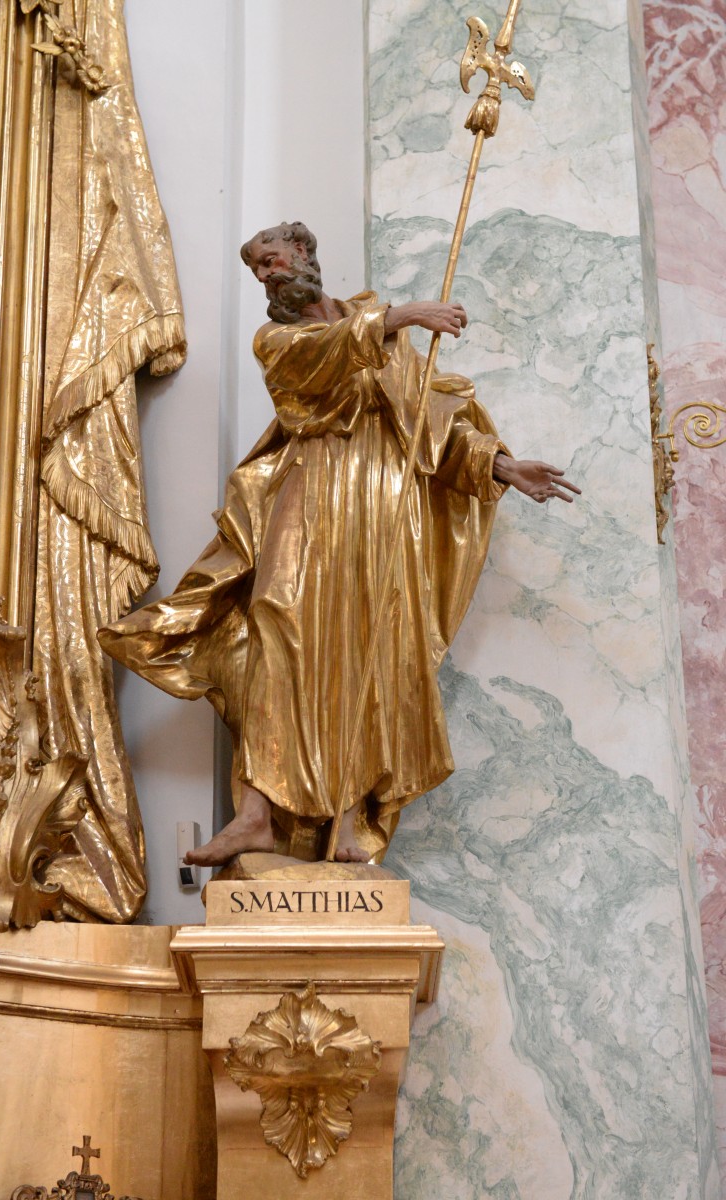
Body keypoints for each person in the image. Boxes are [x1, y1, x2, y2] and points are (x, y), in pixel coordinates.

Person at [100, 222, 579, 866]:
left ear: (304, 255)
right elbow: (311, 364)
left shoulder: (391, 343)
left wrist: (503, 468)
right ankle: (254, 814)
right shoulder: (282, 339)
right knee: (271, 635)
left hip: (381, 507)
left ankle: (351, 820)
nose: (268, 275)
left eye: (272, 260)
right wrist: (401, 314)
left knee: (373, 649)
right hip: (308, 495)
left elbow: (429, 428)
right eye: (258, 270)